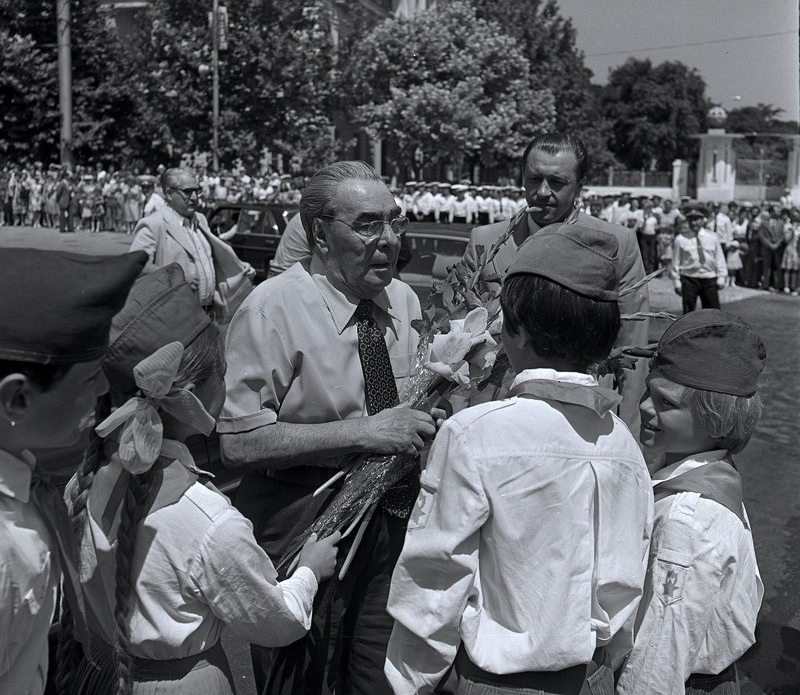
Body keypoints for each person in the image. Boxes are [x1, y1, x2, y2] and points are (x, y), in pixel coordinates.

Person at [386, 224, 653, 695]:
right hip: (590, 677)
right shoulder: (621, 445)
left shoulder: (474, 435)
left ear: (519, 331)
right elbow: (625, 577)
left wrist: (411, 682)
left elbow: (434, 580)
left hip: (493, 680)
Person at [56, 264, 340, 695]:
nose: (229, 384)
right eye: (224, 373)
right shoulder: (209, 522)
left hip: (100, 677)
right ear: (189, 398)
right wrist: (308, 573)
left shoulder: (86, 481)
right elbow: (274, 623)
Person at [219, 161, 442, 695]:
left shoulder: (404, 301)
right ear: (319, 233)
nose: (389, 240)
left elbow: (409, 409)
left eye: (395, 221)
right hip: (301, 526)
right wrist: (363, 433)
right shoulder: (272, 308)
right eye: (367, 225)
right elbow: (237, 442)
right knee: (300, 677)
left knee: (379, 678)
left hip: (391, 527)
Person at [0, 247, 146, 695]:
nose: (103, 389)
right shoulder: (8, 550)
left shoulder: (26, 488)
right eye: (88, 379)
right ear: (17, 399)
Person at [616, 309, 765, 695]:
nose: (646, 406)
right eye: (649, 390)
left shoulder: (688, 520)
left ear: (713, 418)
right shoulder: (712, 475)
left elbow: (658, 659)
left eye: (666, 403)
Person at [461, 132, 650, 434]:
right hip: (495, 412)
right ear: (522, 178)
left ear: (580, 186)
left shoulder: (616, 243)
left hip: (581, 418)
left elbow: (633, 347)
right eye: (535, 179)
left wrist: (630, 433)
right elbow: (461, 336)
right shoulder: (485, 240)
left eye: (558, 182)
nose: (543, 192)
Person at [129, 167, 255, 321]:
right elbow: (135, 265)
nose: (195, 197)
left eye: (197, 190)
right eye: (187, 192)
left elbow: (210, 258)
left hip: (207, 314)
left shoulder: (200, 219)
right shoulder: (153, 224)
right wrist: (174, 278)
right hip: (174, 318)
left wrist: (240, 267)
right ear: (169, 193)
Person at [671, 202, 727, 313]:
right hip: (689, 278)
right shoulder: (681, 239)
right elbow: (675, 263)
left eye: (697, 219)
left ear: (703, 220)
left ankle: (712, 331)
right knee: (688, 312)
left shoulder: (712, 237)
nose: (694, 222)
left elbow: (719, 259)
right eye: (691, 219)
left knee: (713, 311)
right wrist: (676, 282)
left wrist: (722, 276)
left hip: (709, 278)